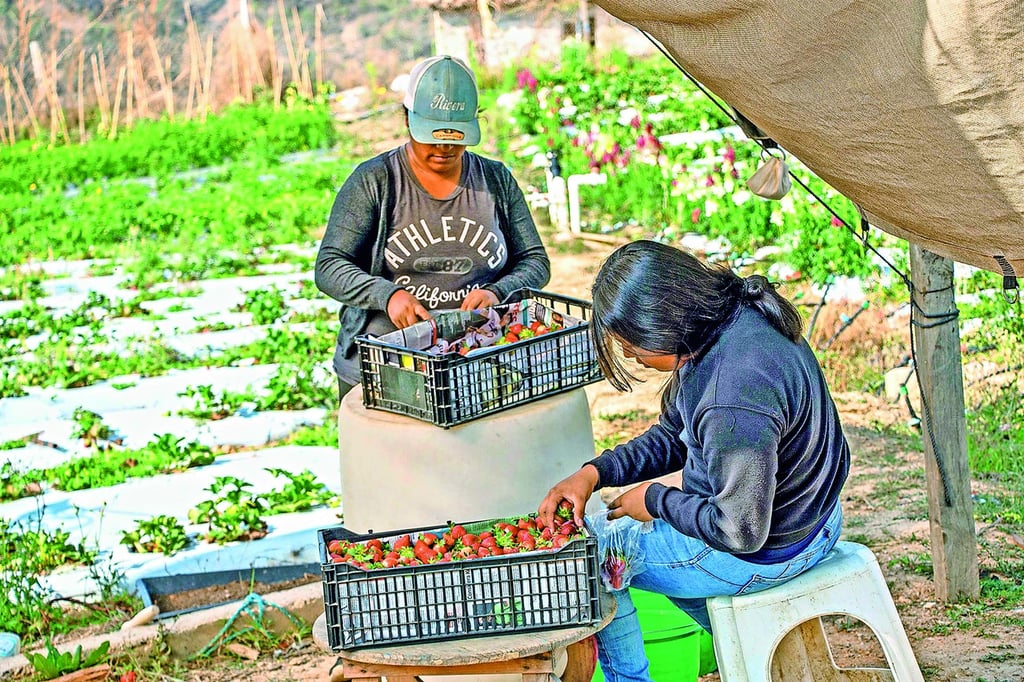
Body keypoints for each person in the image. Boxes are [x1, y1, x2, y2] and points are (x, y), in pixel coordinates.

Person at [537, 239, 850, 681]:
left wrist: (658, 500)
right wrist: (594, 473)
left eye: (630, 344)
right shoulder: (727, 318)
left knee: (597, 563)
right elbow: (673, 435)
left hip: (773, 547)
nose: (629, 355)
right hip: (812, 514)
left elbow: (740, 531)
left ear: (660, 325)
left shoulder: (731, 391)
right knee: (623, 540)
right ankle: (749, 645)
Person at [315, 55, 551, 400]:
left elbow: (535, 262)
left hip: (477, 360)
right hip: (387, 363)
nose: (444, 147)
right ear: (409, 120)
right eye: (433, 137)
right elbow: (330, 266)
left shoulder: (495, 180)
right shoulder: (375, 181)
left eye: (455, 138)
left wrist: (497, 293)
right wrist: (388, 295)